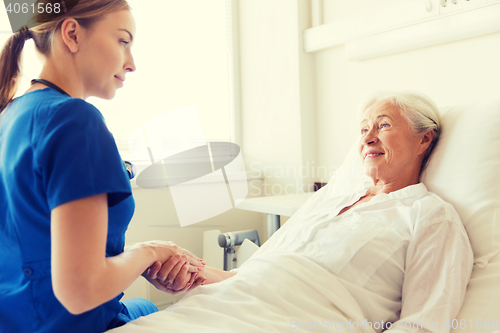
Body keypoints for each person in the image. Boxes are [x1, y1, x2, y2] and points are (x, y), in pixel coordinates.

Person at [132, 91, 474, 333]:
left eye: (383, 125)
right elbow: (255, 277)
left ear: (424, 140)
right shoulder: (327, 200)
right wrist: (193, 278)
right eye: (363, 129)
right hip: (219, 309)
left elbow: (424, 324)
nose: (368, 137)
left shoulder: (430, 216)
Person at [0, 1, 204, 332]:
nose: (132, 63)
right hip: (64, 324)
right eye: (123, 41)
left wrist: (139, 263)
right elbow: (81, 291)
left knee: (147, 304)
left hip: (16, 319)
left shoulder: (10, 115)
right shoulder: (74, 121)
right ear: (71, 34)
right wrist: (149, 252)